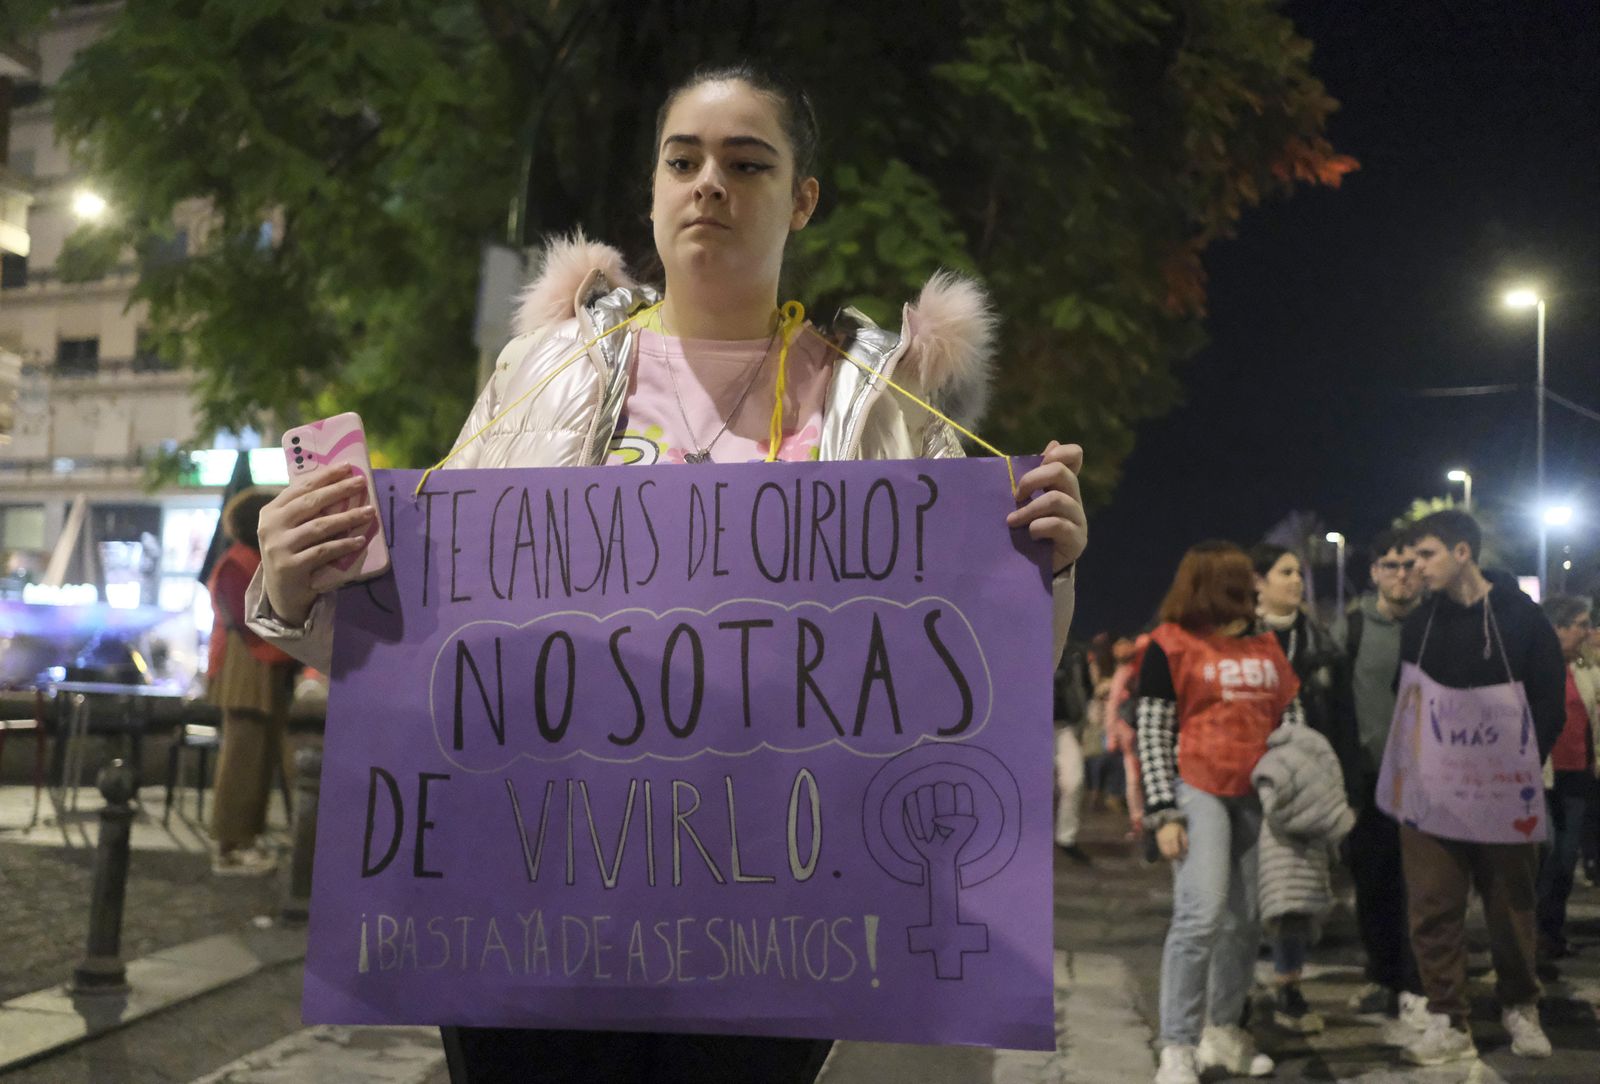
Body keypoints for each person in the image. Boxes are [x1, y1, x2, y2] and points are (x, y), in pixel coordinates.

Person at [243, 62, 1088, 1084]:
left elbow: (972, 679)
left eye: (747, 162)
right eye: (682, 160)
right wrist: (294, 588)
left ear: (802, 198)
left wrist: (1042, 564)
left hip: (774, 928)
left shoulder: (879, 408)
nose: (709, 185)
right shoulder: (539, 379)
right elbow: (425, 655)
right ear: (651, 189)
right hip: (532, 912)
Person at [1396, 510, 1566, 1067]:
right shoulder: (1419, 624)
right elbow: (1411, 699)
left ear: (1462, 552)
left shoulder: (1523, 618)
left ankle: (1519, 1003)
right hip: (1432, 793)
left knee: (1510, 902)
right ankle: (1448, 1015)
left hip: (1503, 793)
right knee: (1433, 904)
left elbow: (1549, 699)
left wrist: (1520, 763)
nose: (1416, 567)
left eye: (1426, 556)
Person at [1137, 541, 1301, 1084]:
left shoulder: (1265, 646)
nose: (1253, 588)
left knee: (1246, 921)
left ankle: (1224, 1030)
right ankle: (1177, 1045)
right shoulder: (1170, 645)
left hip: (1259, 794)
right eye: (1242, 581)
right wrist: (1165, 814)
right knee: (1201, 915)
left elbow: (1290, 716)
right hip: (1198, 787)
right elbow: (1154, 732)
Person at [1247, 543, 1348, 1034]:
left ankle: (1289, 987)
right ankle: (1238, 991)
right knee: (1245, 890)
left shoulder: (1321, 642)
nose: (1296, 581)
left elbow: (1335, 713)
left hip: (1301, 779)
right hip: (1245, 777)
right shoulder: (1237, 637)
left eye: (1298, 573)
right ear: (1258, 581)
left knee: (1294, 891)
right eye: (1285, 572)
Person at [1329, 528, 1427, 1025]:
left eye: (1410, 565)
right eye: (1391, 565)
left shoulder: (1436, 623)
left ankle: (1417, 982)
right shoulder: (1352, 628)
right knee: (1373, 884)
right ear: (1374, 573)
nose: (1402, 574)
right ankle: (1382, 975)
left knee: (1424, 887)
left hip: (1428, 781)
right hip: (1368, 779)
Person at [206, 487, 298, 876]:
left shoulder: (249, 561)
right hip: (247, 664)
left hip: (259, 662)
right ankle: (230, 845)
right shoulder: (236, 564)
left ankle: (246, 837)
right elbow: (251, 624)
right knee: (243, 755)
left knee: (255, 755)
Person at [1533, 594, 1597, 963]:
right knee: (1548, 851)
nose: (1587, 632)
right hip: (1542, 774)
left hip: (1577, 776)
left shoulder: (1586, 670)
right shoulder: (1536, 666)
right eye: (1581, 624)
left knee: (1566, 858)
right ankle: (1533, 934)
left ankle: (1551, 933)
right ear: (1558, 628)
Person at [1055, 641, 1095, 864]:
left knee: (1074, 780)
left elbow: (1086, 687)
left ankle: (1066, 837)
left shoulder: (1074, 651)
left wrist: (1081, 720)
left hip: (1064, 725)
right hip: (1028, 725)